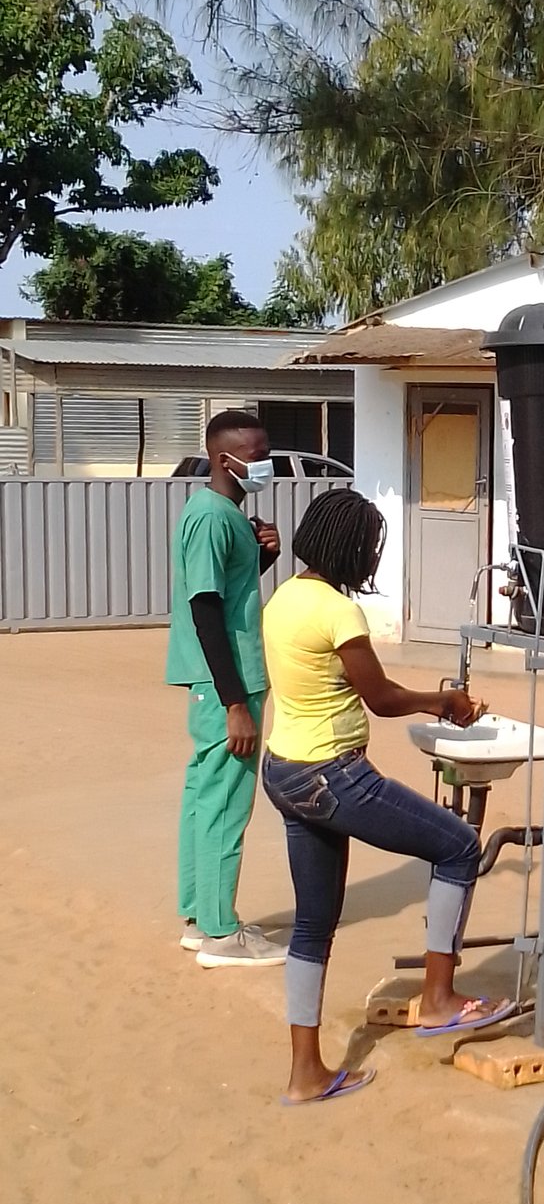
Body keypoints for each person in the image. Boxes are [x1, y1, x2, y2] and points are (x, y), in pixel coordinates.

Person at [260, 487, 513, 1105]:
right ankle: (439, 998)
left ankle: (305, 1073)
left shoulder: (284, 597)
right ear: (349, 549)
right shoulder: (339, 611)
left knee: (314, 923)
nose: (373, 558)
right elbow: (380, 698)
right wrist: (443, 702)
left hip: (285, 770)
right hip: (332, 774)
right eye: (370, 547)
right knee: (458, 845)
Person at [166, 409, 288, 969]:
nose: (266, 465)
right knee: (225, 804)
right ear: (224, 459)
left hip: (221, 681)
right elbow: (206, 608)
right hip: (226, 683)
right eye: (257, 456)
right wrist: (235, 702)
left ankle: (201, 917)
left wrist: (264, 557)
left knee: (205, 796)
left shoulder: (223, 514)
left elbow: (229, 590)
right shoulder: (212, 517)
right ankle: (220, 932)